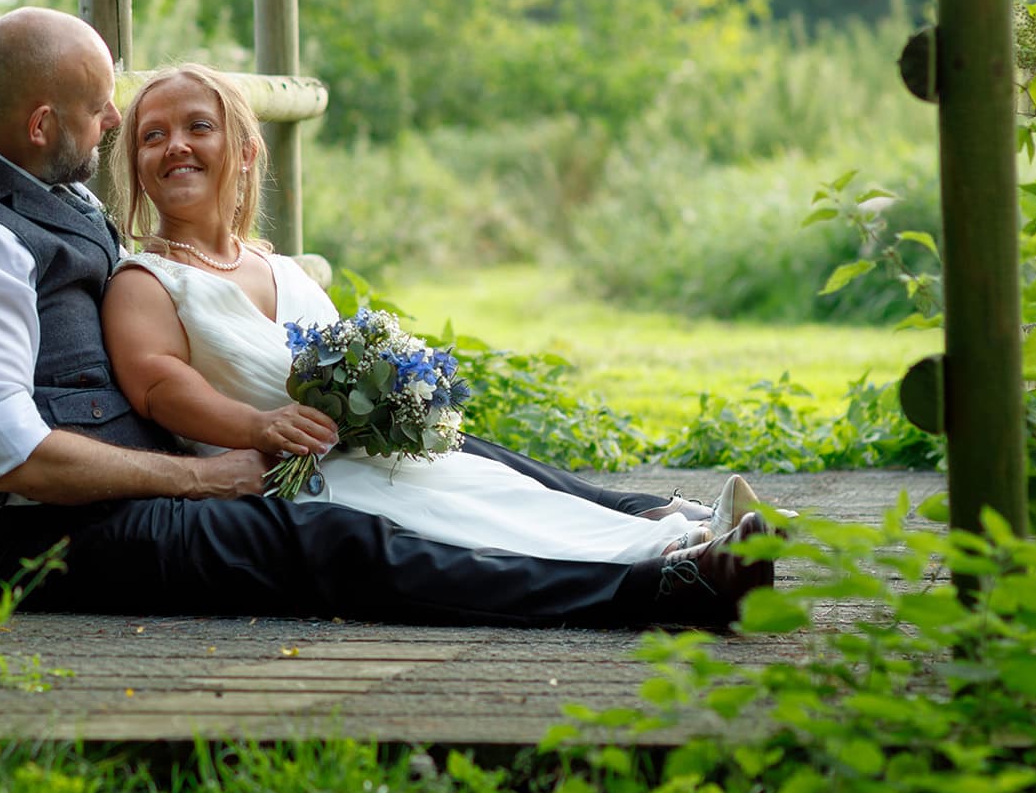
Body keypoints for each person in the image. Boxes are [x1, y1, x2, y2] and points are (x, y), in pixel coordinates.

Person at [0, 8, 774, 630]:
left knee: (430, 459)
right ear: (36, 123)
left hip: (136, 487)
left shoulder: (34, 183)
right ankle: (660, 589)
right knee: (332, 536)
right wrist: (202, 476)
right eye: (104, 111)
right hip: (48, 542)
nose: (113, 121)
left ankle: (660, 532)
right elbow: (14, 457)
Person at [103, 61, 769, 564]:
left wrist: (392, 394)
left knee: (493, 486)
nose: (174, 147)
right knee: (473, 518)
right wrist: (261, 425)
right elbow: (160, 386)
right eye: (152, 136)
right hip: (291, 483)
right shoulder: (147, 280)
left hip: (360, 454)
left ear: (246, 152)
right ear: (136, 164)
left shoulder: (276, 266)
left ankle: (687, 536)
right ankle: (676, 555)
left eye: (199, 128)